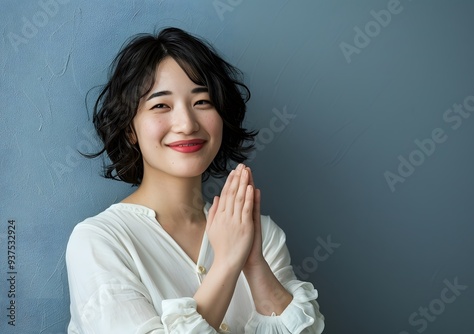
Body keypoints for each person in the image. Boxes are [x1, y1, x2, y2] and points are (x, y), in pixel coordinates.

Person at [66, 27, 324, 333]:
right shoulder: (99, 241)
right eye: (161, 105)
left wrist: (254, 264)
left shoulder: (260, 233)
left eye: (202, 102)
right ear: (129, 130)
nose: (187, 124)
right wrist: (228, 262)